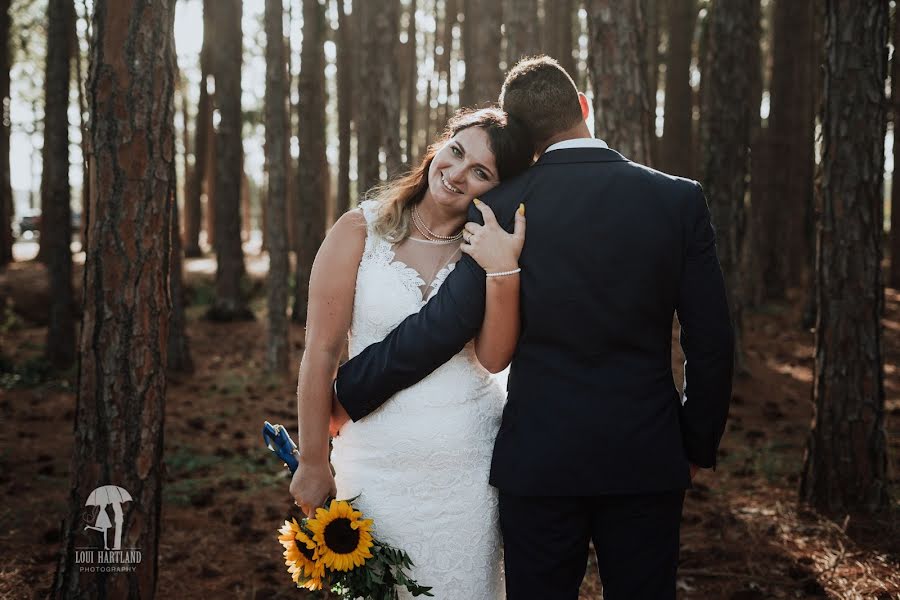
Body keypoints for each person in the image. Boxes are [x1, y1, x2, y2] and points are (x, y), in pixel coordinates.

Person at [328, 56, 735, 599]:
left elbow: (444, 325)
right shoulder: (678, 199)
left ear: (526, 139)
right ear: (584, 107)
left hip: (539, 460)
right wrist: (692, 443)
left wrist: (349, 391)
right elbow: (711, 342)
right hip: (645, 454)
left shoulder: (499, 205)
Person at [289, 107, 534, 598]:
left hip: (469, 475)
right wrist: (314, 460)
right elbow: (320, 351)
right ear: (439, 148)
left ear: (498, 188)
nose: (457, 173)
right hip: (376, 469)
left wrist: (502, 267)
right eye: (456, 151)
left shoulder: (482, 248)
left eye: (481, 172)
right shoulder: (360, 231)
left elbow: (492, 358)